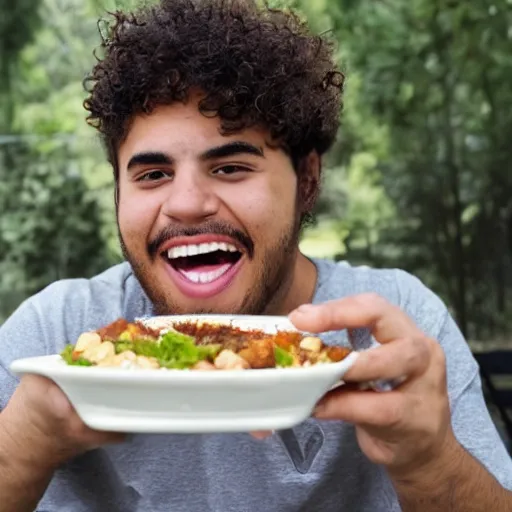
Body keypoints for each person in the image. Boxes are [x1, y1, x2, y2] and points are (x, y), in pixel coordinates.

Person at [0, 0, 511, 510]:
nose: (185, 204)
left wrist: (429, 461)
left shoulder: (391, 331)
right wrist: (23, 446)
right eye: (152, 175)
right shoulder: (57, 336)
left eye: (230, 168)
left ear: (307, 180)